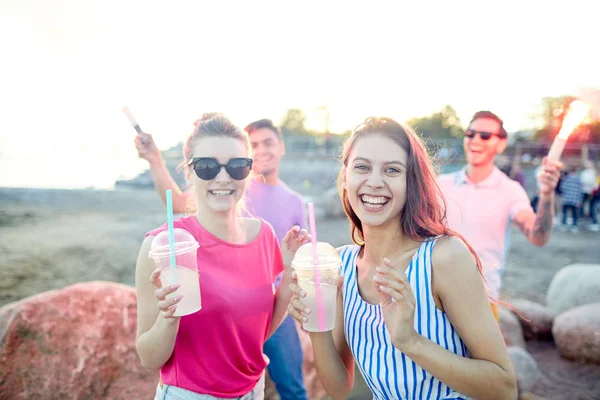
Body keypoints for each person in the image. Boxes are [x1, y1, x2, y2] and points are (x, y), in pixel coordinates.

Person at [288, 117, 518, 399]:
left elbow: (504, 387)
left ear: (411, 183)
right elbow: (339, 387)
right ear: (345, 176)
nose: (374, 182)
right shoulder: (341, 266)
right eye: (362, 167)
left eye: (392, 170)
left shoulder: (443, 259)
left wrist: (411, 342)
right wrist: (316, 324)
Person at [134, 114, 309, 399]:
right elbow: (149, 360)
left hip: (253, 390)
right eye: (207, 167)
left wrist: (290, 273)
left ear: (249, 172)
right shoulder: (161, 246)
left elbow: (258, 335)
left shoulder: (264, 235)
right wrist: (169, 317)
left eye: (237, 166)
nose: (223, 177)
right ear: (189, 172)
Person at [438, 111, 561, 316]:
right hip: (433, 296)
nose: (475, 139)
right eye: (470, 133)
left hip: (480, 302)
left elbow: (538, 237)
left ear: (501, 144)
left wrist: (547, 194)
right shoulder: (441, 184)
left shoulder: (510, 190)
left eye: (485, 136)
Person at [560, 166, 584, 232]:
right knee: (574, 214)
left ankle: (564, 225)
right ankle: (574, 226)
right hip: (575, 200)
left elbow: (562, 188)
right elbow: (581, 191)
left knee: (565, 213)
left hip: (566, 199)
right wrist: (580, 200)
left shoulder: (566, 179)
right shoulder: (579, 180)